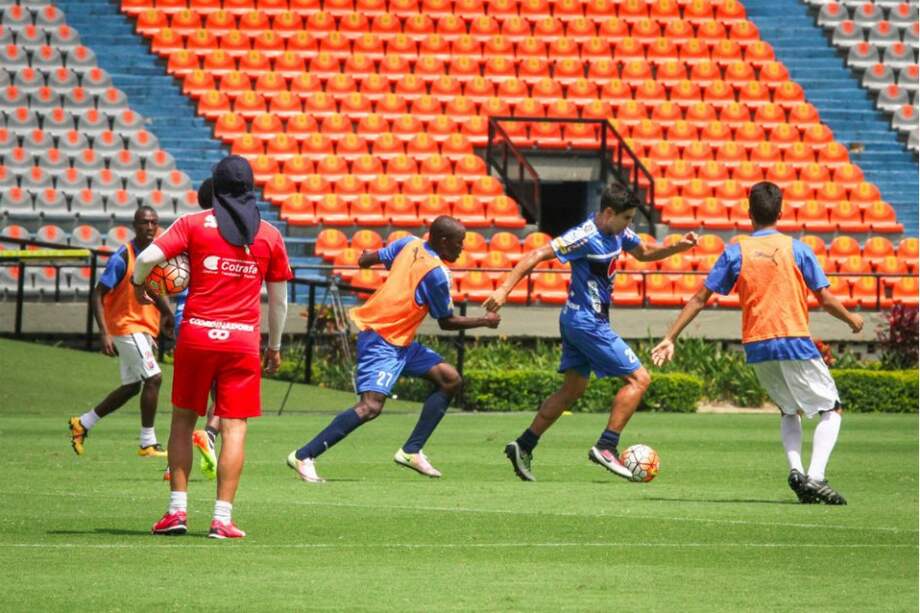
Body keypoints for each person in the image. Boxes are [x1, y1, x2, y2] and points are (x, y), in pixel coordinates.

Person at [651, 181, 863, 505]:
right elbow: (825, 298)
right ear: (781, 212)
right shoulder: (799, 249)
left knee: (788, 409)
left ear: (749, 213)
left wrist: (670, 337)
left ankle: (796, 470)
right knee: (831, 409)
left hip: (756, 345)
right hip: (793, 338)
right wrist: (852, 320)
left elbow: (699, 297)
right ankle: (816, 477)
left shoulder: (736, 251)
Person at [483, 183, 697, 481]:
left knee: (572, 390)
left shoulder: (617, 232)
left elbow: (645, 252)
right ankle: (607, 446)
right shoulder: (584, 236)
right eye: (626, 218)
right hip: (586, 321)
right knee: (639, 379)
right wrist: (504, 290)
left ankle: (524, 444)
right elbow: (537, 253)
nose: (629, 224)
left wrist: (677, 247)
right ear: (608, 213)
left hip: (578, 320)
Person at [133, 155, 293, 539]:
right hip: (241, 341)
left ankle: (177, 512)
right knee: (235, 427)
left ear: (216, 187)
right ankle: (222, 519)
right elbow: (280, 301)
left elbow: (146, 257)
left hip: (197, 335)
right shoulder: (269, 234)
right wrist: (274, 346)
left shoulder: (192, 224)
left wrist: (140, 284)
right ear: (250, 188)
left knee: (183, 421)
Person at [287, 215, 500, 482]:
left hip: (402, 343)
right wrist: (485, 321)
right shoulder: (437, 273)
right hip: (383, 341)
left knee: (449, 379)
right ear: (444, 241)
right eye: (459, 243)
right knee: (370, 407)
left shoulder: (409, 242)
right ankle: (304, 455)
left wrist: (365, 258)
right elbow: (446, 322)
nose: (462, 248)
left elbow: (368, 259)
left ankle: (412, 451)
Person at [69, 206, 174, 458]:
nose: (149, 227)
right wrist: (103, 332)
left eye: (153, 223)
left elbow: (153, 290)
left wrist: (166, 315)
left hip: (141, 329)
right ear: (134, 225)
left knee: (132, 387)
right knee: (155, 378)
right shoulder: (122, 257)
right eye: (144, 222)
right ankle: (147, 443)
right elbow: (97, 294)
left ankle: (82, 423)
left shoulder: (153, 256)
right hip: (125, 326)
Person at [164, 178, 219, 482]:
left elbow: (158, 264)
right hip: (220, 321)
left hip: (186, 320)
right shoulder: (233, 231)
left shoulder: (188, 228)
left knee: (185, 403)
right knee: (224, 396)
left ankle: (173, 463)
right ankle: (209, 435)